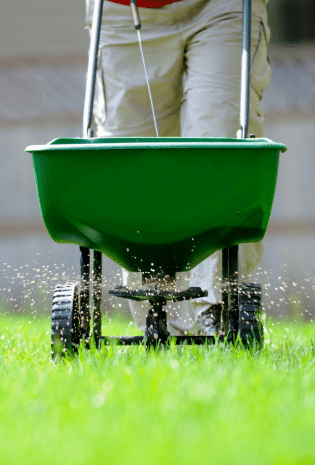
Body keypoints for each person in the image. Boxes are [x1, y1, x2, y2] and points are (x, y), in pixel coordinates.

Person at [85, 0, 271, 335]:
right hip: (125, 12)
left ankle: (218, 309)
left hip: (222, 8)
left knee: (221, 141)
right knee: (135, 166)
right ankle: (157, 315)